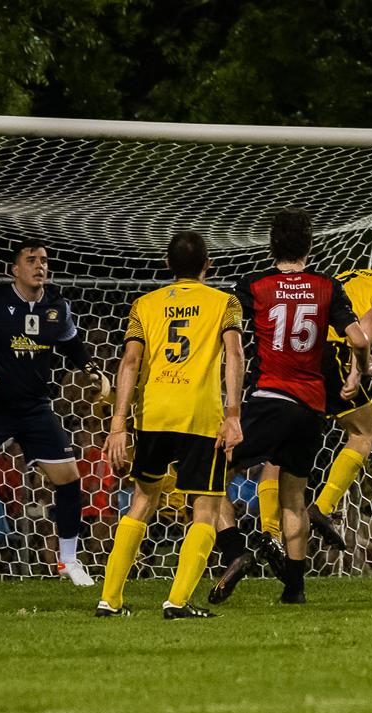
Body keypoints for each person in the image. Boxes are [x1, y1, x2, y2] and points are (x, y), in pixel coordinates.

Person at [207, 208, 370, 605]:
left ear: (271, 244)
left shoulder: (254, 285)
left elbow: (223, 330)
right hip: (310, 409)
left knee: (209, 474)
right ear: (310, 245)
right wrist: (357, 373)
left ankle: (233, 552)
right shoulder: (327, 286)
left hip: (270, 399)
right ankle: (295, 589)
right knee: (294, 498)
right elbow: (360, 339)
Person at [0, 239, 110, 589]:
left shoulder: (58, 306)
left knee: (69, 478)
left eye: (43, 260)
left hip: (34, 407)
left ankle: (70, 561)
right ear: (15, 269)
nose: (40, 265)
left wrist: (91, 369)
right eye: (31, 260)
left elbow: (73, 346)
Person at [98, 230, 244, 619]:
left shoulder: (145, 304)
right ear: (207, 265)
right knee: (206, 507)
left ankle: (109, 600)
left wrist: (118, 424)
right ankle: (177, 602)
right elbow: (234, 354)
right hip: (200, 414)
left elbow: (129, 363)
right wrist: (233, 416)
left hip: (154, 412)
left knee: (143, 501)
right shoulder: (224, 302)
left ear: (167, 265)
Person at [256, 246, 372, 555]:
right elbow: (366, 328)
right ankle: (322, 508)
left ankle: (268, 533)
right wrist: (357, 373)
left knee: (279, 448)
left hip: (292, 354)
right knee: (366, 431)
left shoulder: (351, 276)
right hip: (327, 356)